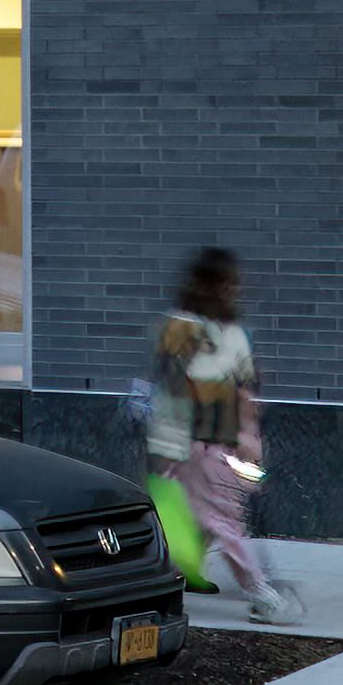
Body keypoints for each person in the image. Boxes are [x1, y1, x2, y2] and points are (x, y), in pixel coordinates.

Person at [138, 242, 287, 618]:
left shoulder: (232, 331)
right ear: (206, 284)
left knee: (202, 514)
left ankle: (167, 579)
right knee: (222, 518)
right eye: (225, 283)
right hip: (191, 442)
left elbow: (245, 387)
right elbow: (179, 383)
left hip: (218, 441)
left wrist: (249, 435)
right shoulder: (182, 327)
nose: (232, 290)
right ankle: (260, 592)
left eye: (234, 283)